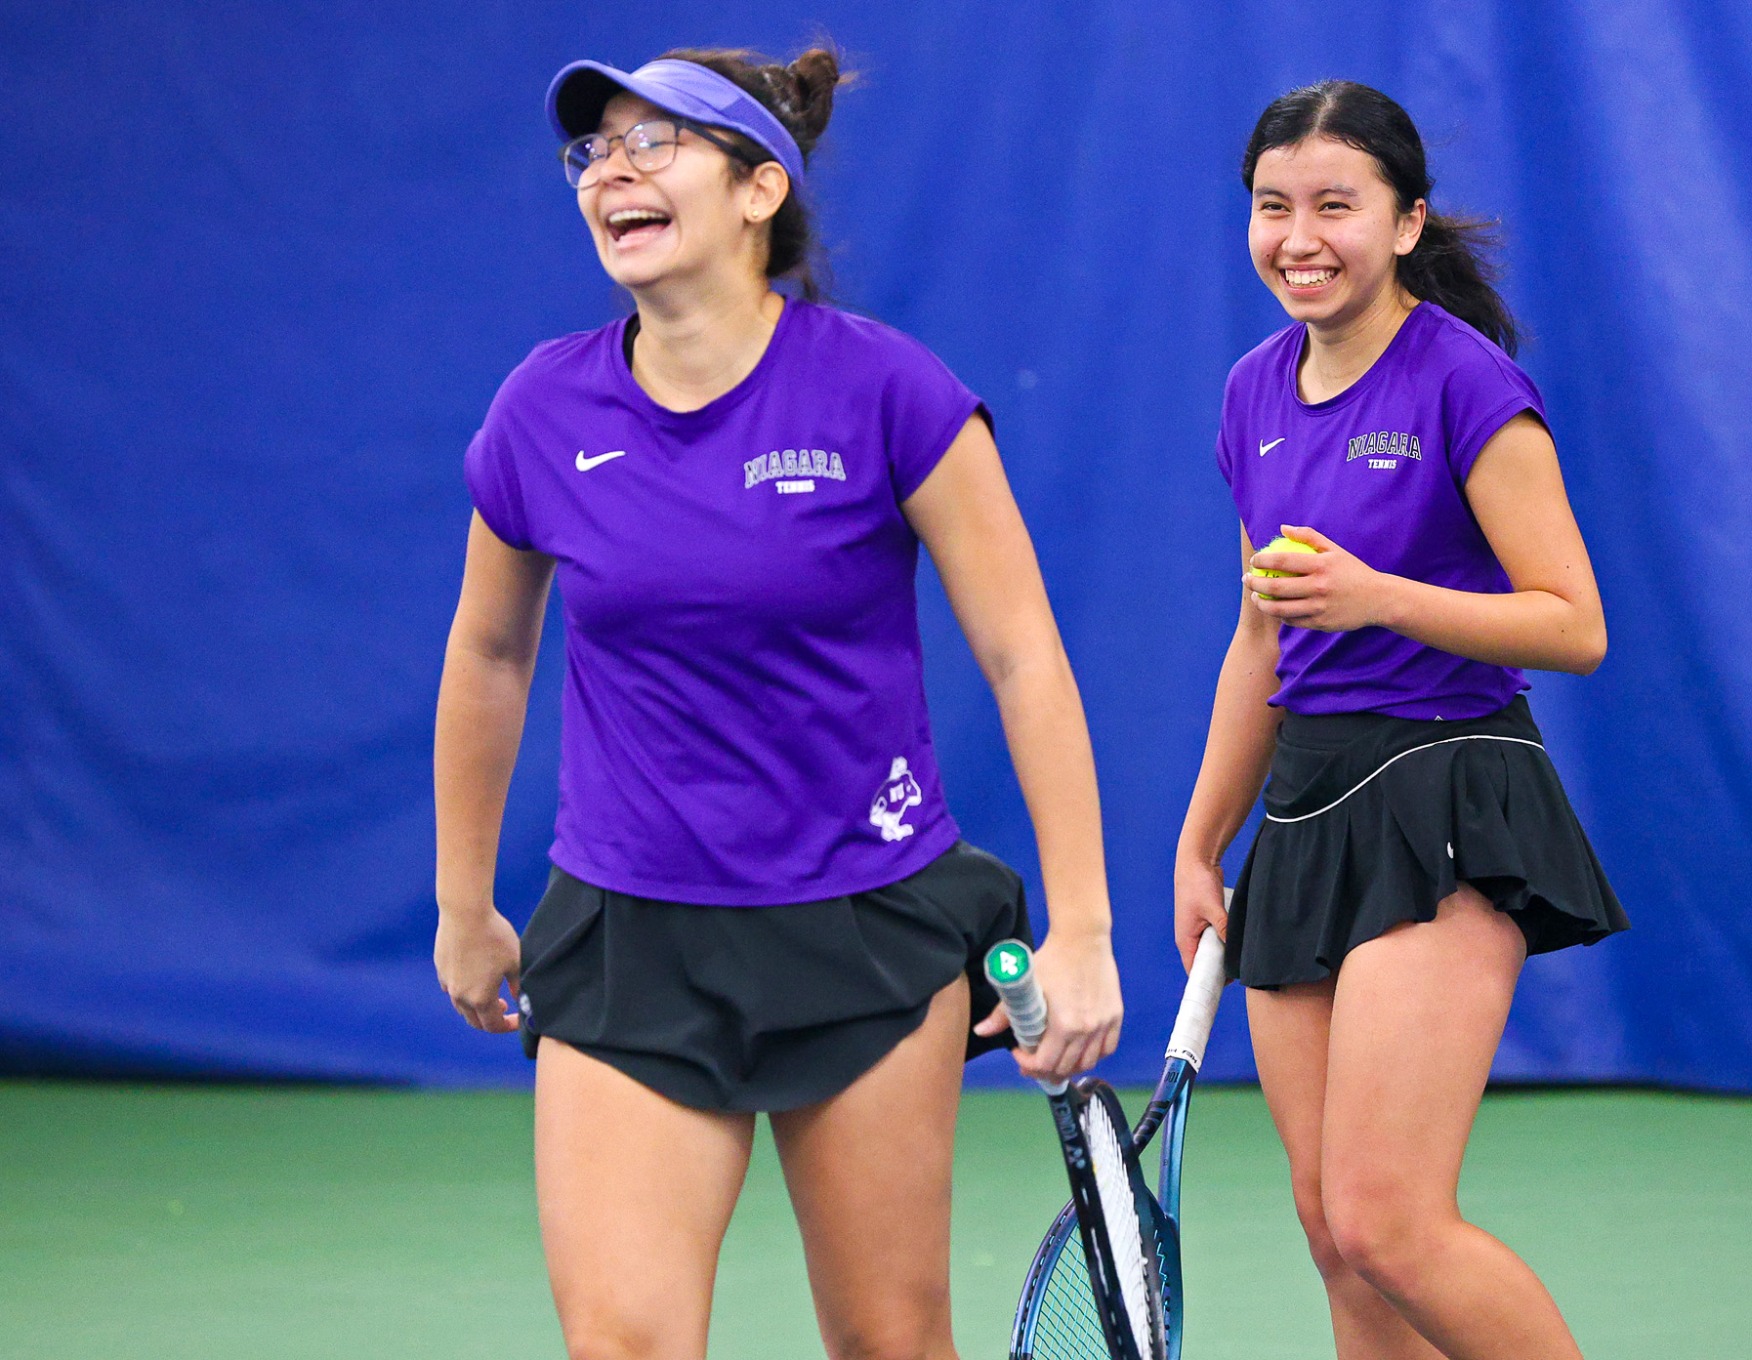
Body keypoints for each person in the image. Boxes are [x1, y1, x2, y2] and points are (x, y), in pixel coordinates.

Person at [432, 46, 1122, 1360]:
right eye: (594, 153)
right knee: (622, 1342)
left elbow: (1026, 655)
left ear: (759, 190)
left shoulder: (888, 391)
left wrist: (1082, 926)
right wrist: (466, 906)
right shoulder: (542, 409)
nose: (612, 172)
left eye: (657, 143)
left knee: (887, 1341)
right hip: (631, 940)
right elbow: (489, 658)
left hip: (863, 930)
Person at [1174, 81, 1628, 1360]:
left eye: (1335, 206)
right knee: (1334, 1234)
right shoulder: (1252, 393)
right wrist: (1200, 842)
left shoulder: (1465, 384)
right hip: (1302, 814)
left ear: (1406, 220)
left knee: (1388, 1218)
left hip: (1446, 790)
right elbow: (1259, 635)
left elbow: (1571, 623)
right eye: (1272, 207)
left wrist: (1381, 598)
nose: (1298, 237)